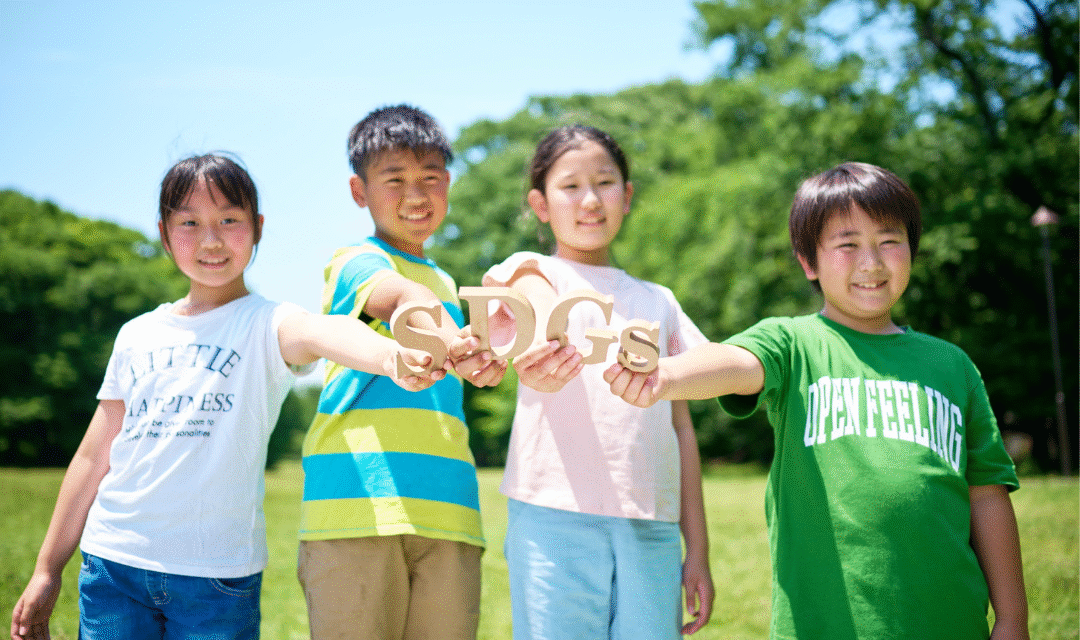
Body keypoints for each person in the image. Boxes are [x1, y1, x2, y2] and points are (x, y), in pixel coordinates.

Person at [10, 153, 446, 640]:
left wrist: (391, 359)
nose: (211, 239)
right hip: (114, 564)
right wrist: (48, 570)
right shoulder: (136, 334)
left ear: (257, 227)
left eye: (229, 221)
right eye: (190, 222)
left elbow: (329, 331)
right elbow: (94, 457)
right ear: (163, 232)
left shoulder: (268, 322)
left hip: (217, 580)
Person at [605, 162, 1029, 640]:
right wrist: (665, 374)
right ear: (809, 262)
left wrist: (1013, 618)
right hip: (823, 625)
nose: (871, 262)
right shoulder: (792, 342)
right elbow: (733, 362)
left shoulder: (953, 366)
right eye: (847, 245)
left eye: (889, 240)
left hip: (949, 623)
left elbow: (987, 496)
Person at [480, 125, 715, 639]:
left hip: (651, 528)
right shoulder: (530, 271)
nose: (590, 200)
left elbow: (682, 429)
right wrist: (544, 330)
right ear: (540, 204)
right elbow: (526, 292)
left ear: (627, 197)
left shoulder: (659, 300)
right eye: (570, 187)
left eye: (605, 183)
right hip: (551, 521)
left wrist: (696, 548)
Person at [297, 104, 511, 640]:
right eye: (395, 180)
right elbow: (401, 301)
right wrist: (454, 338)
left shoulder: (448, 283)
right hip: (357, 504)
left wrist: (483, 362)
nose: (415, 195)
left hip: (450, 508)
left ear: (449, 185)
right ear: (358, 191)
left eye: (430, 179)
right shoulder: (355, 261)